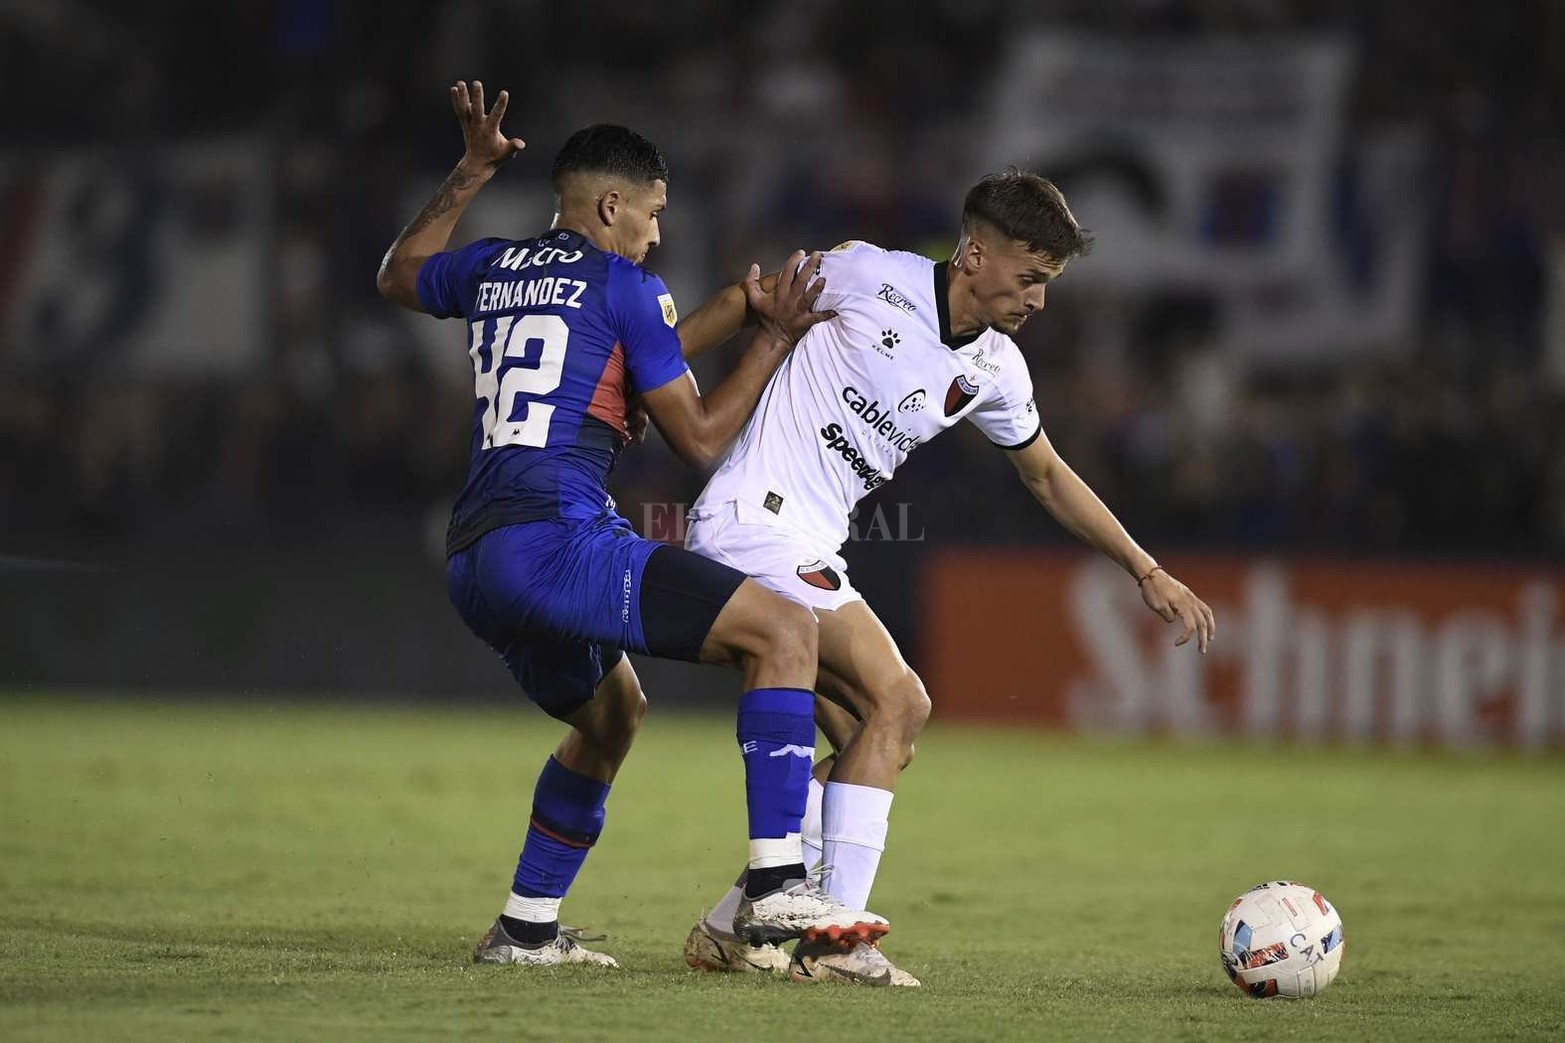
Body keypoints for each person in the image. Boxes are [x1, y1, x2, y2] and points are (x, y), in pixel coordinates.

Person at [376, 80, 888, 968]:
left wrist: (467, 172)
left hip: (474, 555)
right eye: (651, 213)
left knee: (612, 715)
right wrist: (768, 340)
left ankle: (524, 929)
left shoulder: (493, 264)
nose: (656, 232)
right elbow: (697, 437)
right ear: (611, 205)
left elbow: (397, 274)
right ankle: (773, 886)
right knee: (782, 632)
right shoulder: (626, 285)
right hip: (555, 537)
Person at [675, 171, 1216, 986]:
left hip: (805, 542)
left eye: (1049, 283)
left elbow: (1045, 475)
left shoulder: (997, 368)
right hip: (753, 522)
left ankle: (727, 925)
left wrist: (1144, 567)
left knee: (876, 740)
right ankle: (835, 945)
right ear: (972, 253)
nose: (1037, 299)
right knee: (905, 701)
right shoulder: (866, 273)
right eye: (1029, 277)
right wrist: (640, 377)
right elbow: (748, 302)